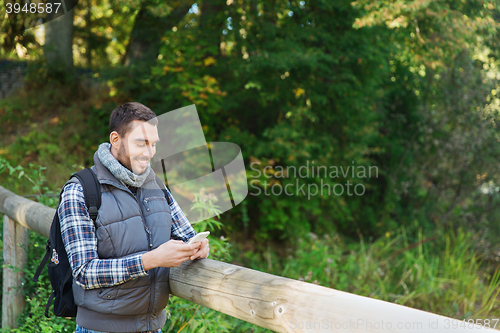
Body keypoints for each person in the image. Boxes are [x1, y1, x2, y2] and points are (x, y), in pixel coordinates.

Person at [58, 102, 209, 333]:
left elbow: (187, 235)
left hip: (153, 327)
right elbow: (84, 272)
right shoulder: (80, 190)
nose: (149, 153)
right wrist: (151, 260)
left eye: (154, 144)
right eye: (141, 143)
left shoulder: (156, 185)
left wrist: (198, 248)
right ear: (116, 140)